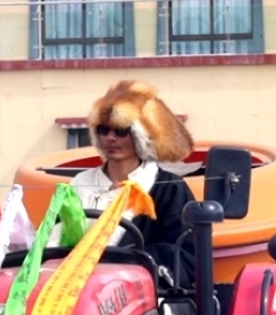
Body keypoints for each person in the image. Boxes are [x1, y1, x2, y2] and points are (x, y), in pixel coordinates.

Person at [70, 80, 196, 286]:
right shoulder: (80, 183)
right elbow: (57, 241)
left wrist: (126, 264)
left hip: (141, 295)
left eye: (121, 131)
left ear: (141, 136)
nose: (110, 138)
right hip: (78, 290)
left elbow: (185, 256)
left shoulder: (168, 187)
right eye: (103, 130)